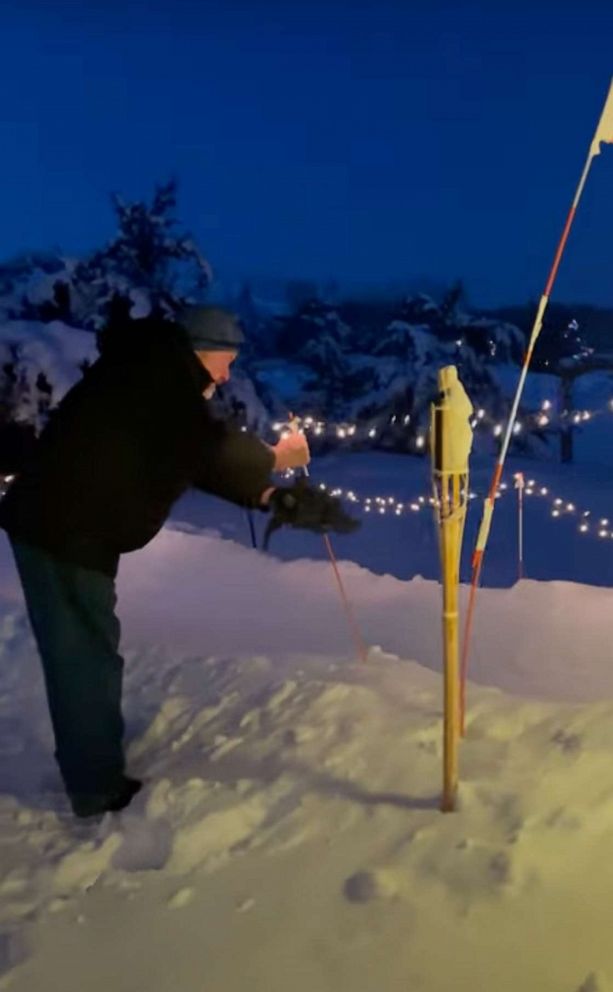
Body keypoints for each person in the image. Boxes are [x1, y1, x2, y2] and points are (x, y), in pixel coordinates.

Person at [0, 305, 359, 818]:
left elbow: (189, 457)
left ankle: (93, 764)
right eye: (224, 361)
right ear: (199, 350)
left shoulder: (148, 373)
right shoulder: (158, 381)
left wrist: (267, 497)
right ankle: (95, 787)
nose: (227, 374)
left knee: (88, 652)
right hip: (63, 530)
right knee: (83, 656)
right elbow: (207, 446)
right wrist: (277, 460)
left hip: (67, 524)